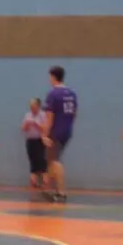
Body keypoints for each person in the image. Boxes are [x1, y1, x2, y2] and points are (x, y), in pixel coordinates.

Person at [42, 65, 78, 203]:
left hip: (55, 131)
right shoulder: (72, 94)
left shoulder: (53, 94)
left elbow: (49, 118)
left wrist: (44, 135)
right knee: (50, 159)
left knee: (54, 160)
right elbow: (74, 113)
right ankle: (47, 187)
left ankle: (61, 192)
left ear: (53, 77)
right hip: (67, 130)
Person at [21, 98, 48, 189]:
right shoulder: (28, 115)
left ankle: (45, 182)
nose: (32, 108)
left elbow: (45, 128)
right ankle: (34, 182)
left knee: (42, 161)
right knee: (32, 161)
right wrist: (27, 125)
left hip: (40, 140)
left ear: (38, 106)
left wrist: (36, 124)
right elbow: (23, 128)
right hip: (30, 140)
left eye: (34, 106)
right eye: (31, 106)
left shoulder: (43, 115)